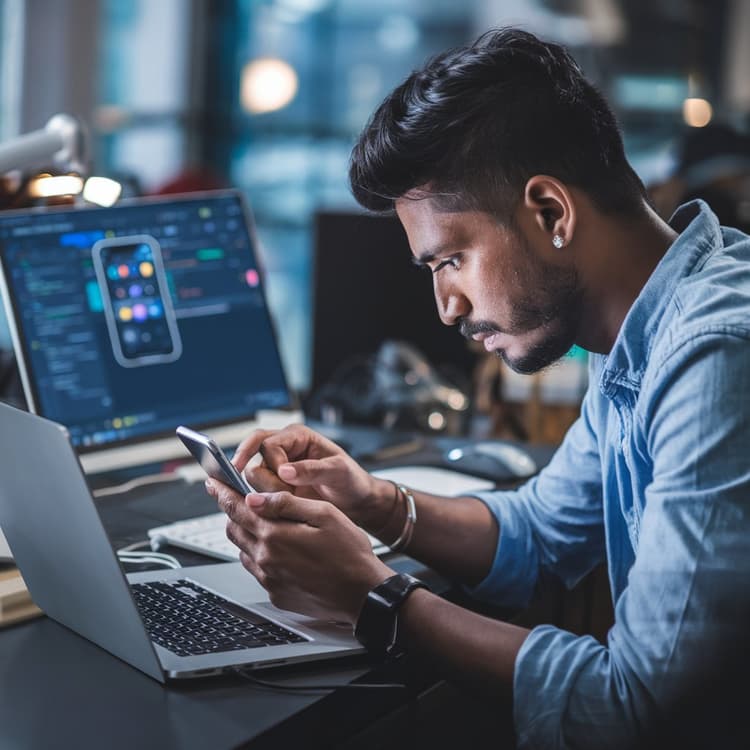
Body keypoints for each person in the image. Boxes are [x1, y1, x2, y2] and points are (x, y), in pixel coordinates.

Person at [204, 28, 750, 749]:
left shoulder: (717, 353)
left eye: (451, 259)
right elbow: (541, 531)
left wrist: (374, 596)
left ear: (551, 212)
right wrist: (370, 500)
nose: (447, 307)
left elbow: (636, 709)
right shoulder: (642, 327)